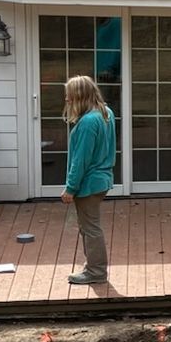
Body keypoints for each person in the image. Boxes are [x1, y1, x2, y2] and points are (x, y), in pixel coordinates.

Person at [62, 75, 117, 285]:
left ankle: (96, 272)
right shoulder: (105, 113)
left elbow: (81, 159)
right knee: (89, 226)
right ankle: (92, 267)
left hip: (89, 183)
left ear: (79, 95)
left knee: (90, 228)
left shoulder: (87, 122)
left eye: (69, 96)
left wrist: (70, 188)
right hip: (102, 179)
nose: (67, 100)